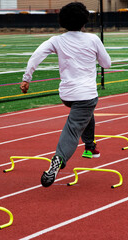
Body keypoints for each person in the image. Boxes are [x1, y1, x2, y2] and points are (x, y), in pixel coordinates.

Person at [20, 2, 111, 187]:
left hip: (67, 95)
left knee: (85, 112)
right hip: (86, 94)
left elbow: (36, 55)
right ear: (85, 20)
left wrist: (26, 78)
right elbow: (107, 64)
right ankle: (58, 159)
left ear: (62, 20)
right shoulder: (93, 39)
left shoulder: (56, 40)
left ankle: (90, 146)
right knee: (73, 127)